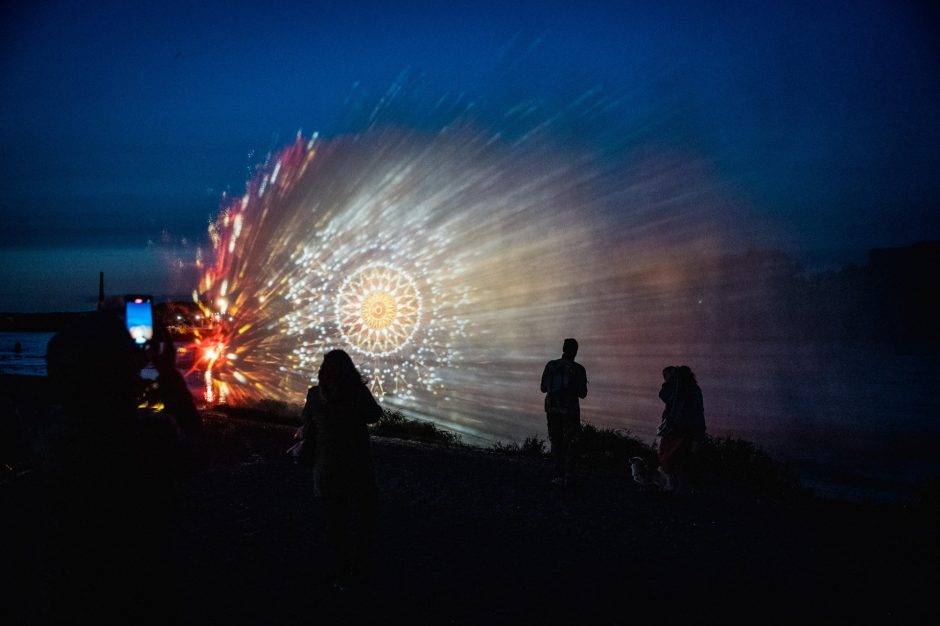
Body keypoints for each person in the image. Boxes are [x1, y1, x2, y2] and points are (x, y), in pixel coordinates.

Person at [35, 309, 205, 624]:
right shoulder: (146, 437)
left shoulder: (48, 445)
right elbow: (196, 453)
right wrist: (167, 374)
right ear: (125, 374)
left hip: (72, 597)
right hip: (145, 591)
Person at [301, 349, 383, 592]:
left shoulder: (314, 395)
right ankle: (362, 572)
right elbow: (374, 415)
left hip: (327, 468)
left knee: (338, 525)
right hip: (357, 467)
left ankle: (342, 575)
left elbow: (307, 420)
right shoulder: (357, 393)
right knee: (364, 522)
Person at [540, 338, 588, 486]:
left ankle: (558, 475)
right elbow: (583, 394)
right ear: (575, 351)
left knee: (556, 441)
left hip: (552, 409)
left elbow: (542, 388)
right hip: (570, 411)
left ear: (563, 349)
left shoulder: (551, 365)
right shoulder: (579, 369)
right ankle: (569, 475)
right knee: (572, 442)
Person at [656, 365, 706, 493]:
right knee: (676, 459)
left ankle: (675, 488)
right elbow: (663, 395)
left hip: (680, 431)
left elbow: (697, 413)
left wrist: (698, 436)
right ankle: (676, 488)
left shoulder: (684, 390)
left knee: (673, 459)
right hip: (680, 430)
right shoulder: (686, 390)